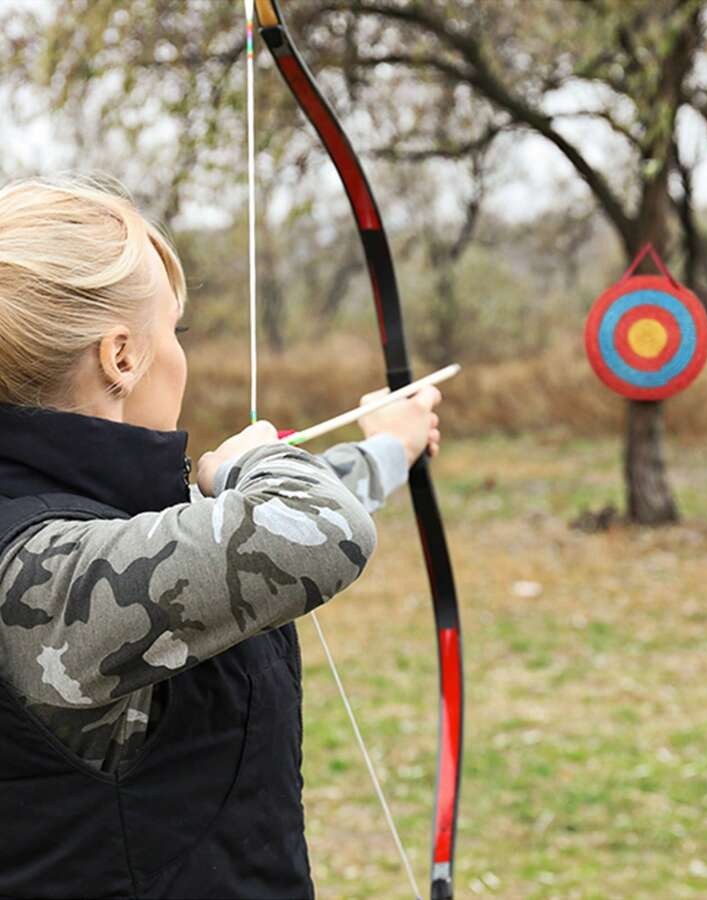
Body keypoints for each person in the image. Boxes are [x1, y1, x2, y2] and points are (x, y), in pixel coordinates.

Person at [0, 175, 443, 899]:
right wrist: (254, 461)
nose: (180, 354)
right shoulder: (38, 572)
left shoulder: (73, 529)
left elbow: (213, 541)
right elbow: (311, 530)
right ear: (121, 355)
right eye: (172, 330)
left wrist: (390, 447)